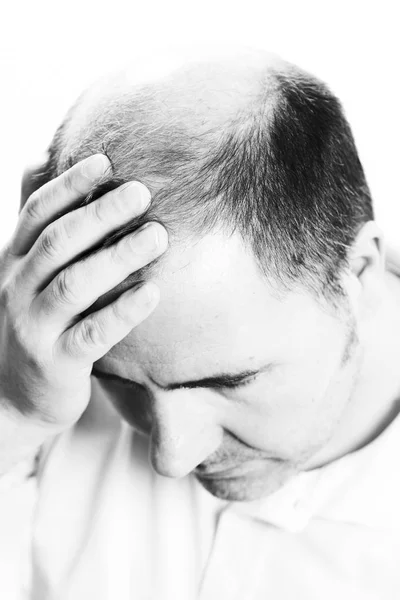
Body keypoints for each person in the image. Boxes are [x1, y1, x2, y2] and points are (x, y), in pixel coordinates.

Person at [0, 47, 399, 600]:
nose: (172, 457)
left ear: (358, 270)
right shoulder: (45, 360)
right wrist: (13, 413)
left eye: (228, 381)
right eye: (114, 381)